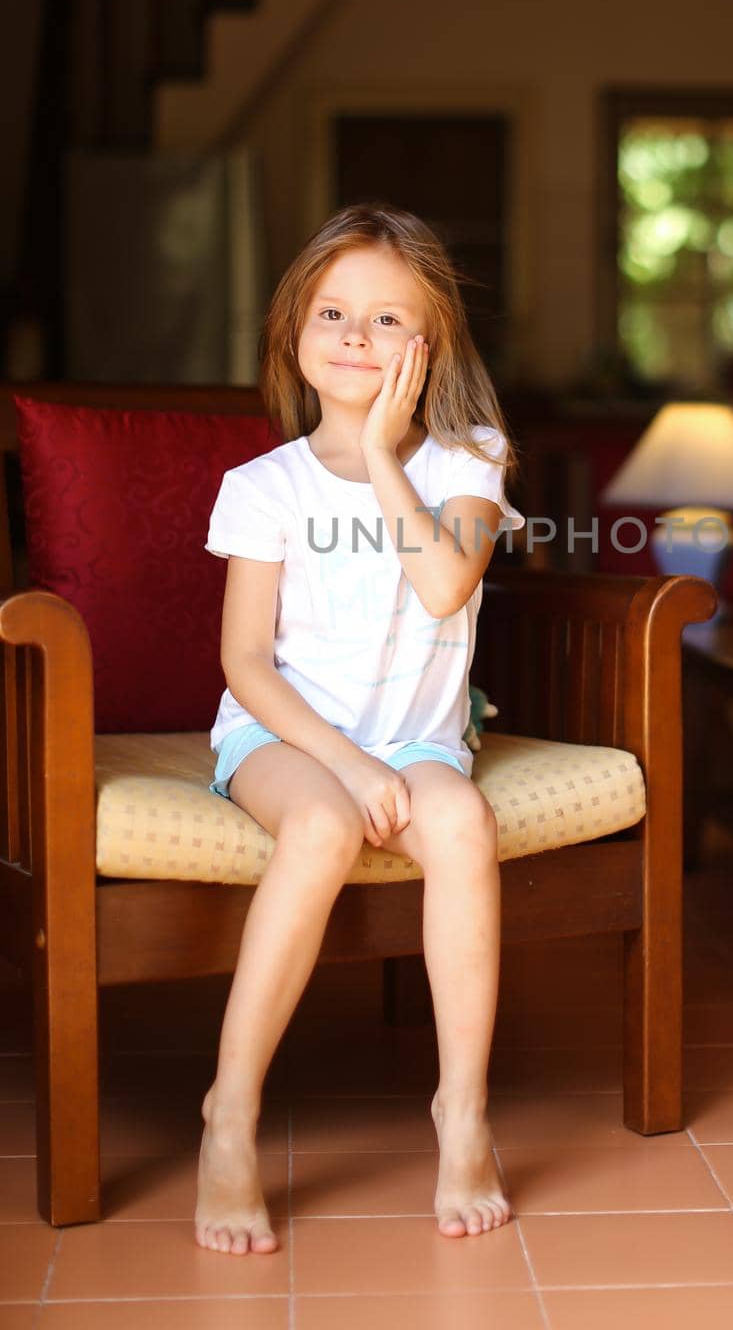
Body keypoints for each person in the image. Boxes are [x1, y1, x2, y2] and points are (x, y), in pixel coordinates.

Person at [194, 202, 526, 1255]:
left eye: (387, 320)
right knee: (325, 827)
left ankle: (460, 1111)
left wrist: (385, 455)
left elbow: (440, 588)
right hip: (283, 738)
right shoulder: (264, 485)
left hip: (419, 742)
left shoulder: (470, 458)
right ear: (294, 329)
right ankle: (230, 1114)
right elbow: (245, 661)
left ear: (430, 344)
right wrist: (336, 761)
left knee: (461, 823)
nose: (354, 336)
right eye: (332, 312)